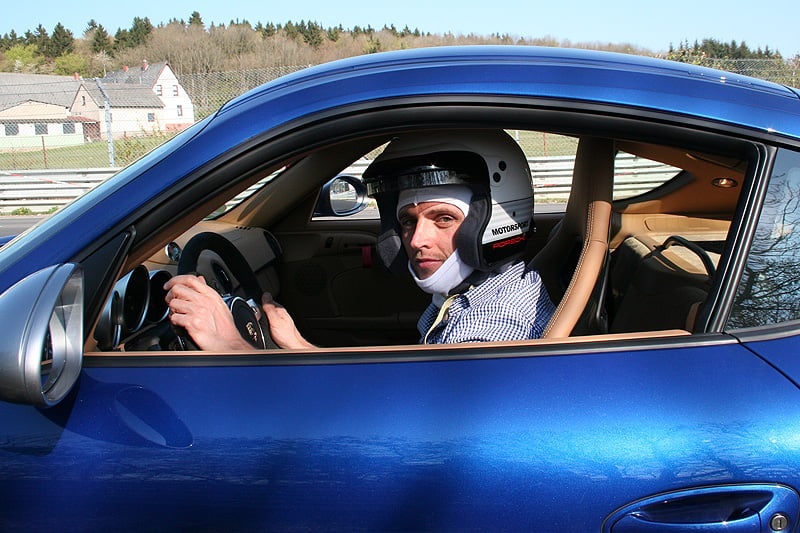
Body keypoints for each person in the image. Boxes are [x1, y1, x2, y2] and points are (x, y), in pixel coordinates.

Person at [164, 129, 555, 350]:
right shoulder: (481, 294)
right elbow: (404, 395)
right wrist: (300, 347)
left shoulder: (490, 327)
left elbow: (405, 433)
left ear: (496, 221)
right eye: (407, 220)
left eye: (443, 219)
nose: (417, 239)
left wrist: (230, 346)